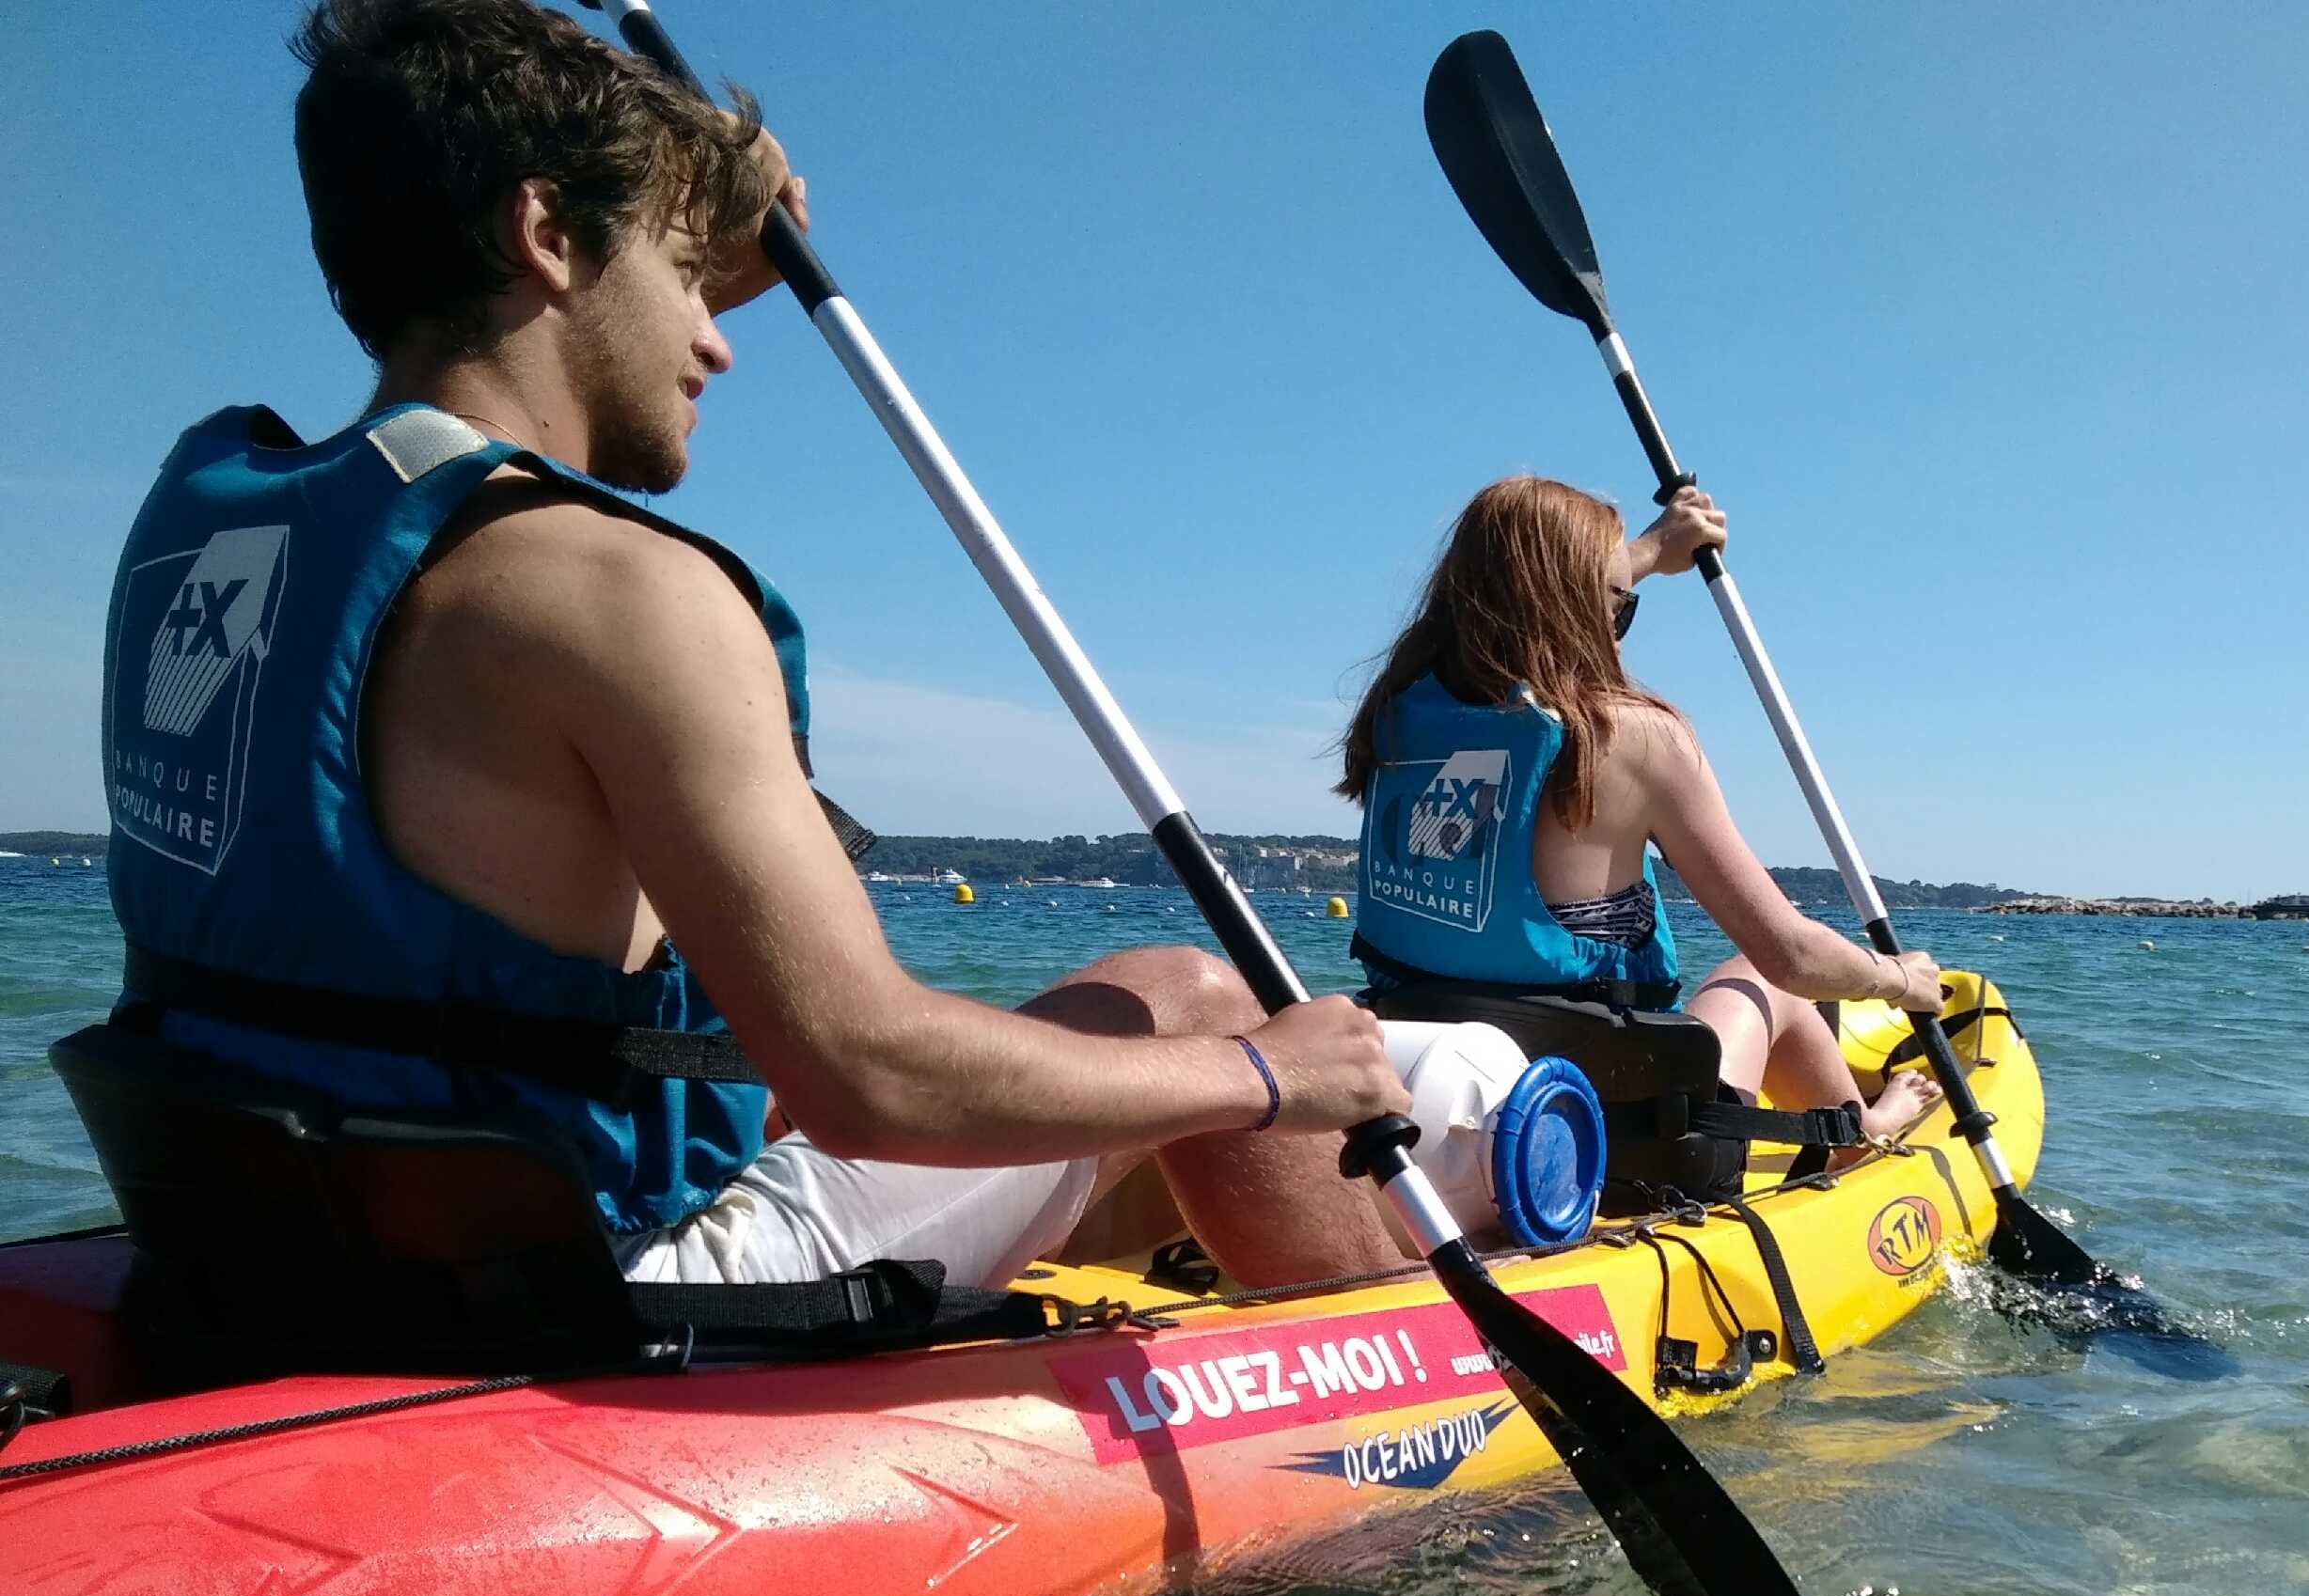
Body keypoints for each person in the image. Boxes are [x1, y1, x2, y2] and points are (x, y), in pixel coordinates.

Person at [94, 0, 1411, 1300]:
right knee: (1181, 995)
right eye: (684, 274)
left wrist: (682, 236)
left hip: (271, 1246)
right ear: (547, 234)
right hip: (579, 1286)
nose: (718, 334)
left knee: (750, 1081)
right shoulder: (624, 596)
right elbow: (870, 1077)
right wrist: (1274, 1076)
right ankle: (1388, 1413)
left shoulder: (210, 538)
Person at [1337, 476, 1940, 1154]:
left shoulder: (1396, 713)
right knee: (1767, 982)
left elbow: (1523, 587)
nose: (1619, 629)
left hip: (1440, 1093)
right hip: (1610, 1131)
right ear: (1576, 607)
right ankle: (1862, 1133)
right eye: (1619, 607)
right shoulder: (1633, 738)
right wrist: (1897, 979)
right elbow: (1793, 955)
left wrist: (1656, 548)